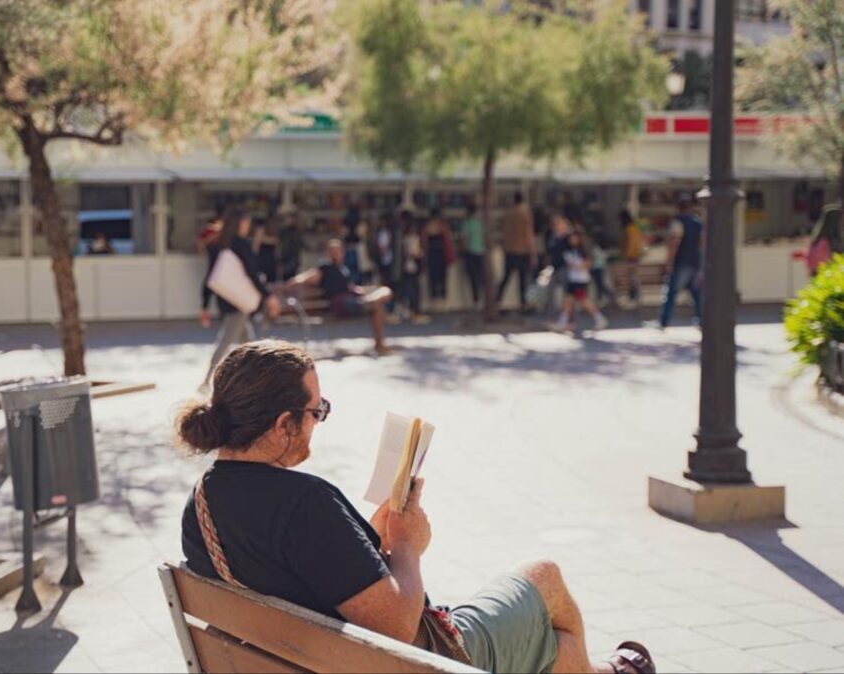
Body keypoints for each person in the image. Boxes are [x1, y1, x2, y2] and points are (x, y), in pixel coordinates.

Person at [177, 340, 657, 674]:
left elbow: (297, 569)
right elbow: (397, 628)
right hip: (419, 662)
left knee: (552, 647)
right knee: (545, 579)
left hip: (295, 658)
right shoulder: (304, 504)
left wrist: (369, 539)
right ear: (284, 424)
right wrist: (407, 545)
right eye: (316, 412)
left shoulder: (201, 505)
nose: (318, 422)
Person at [200, 208, 281, 388]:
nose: (248, 227)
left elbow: (209, 277)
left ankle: (257, 379)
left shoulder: (217, 244)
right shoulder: (240, 245)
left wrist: (204, 305)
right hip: (240, 300)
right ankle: (207, 381)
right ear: (240, 224)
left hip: (226, 299)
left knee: (247, 342)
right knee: (226, 342)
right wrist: (267, 296)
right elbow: (252, 273)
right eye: (246, 223)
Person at [290, 240, 393, 354]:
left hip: (352, 301)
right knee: (377, 307)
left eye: (337, 251)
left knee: (384, 293)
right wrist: (283, 287)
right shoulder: (324, 268)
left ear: (342, 253)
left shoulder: (344, 270)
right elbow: (302, 279)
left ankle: (370, 304)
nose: (335, 254)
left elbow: (351, 288)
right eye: (332, 251)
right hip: (339, 304)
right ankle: (379, 344)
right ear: (327, 253)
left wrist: (366, 290)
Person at [657, 195, 703, 329]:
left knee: (671, 292)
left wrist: (668, 262)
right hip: (695, 261)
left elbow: (674, 243)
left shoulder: (677, 222)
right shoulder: (698, 222)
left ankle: (663, 322)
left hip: (681, 261)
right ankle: (701, 320)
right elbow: (702, 243)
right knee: (696, 293)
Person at [553, 228, 608, 332]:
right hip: (573, 280)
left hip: (581, 280)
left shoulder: (583, 251)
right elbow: (570, 264)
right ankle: (562, 322)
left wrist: (577, 265)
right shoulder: (569, 251)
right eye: (570, 238)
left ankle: (600, 318)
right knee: (568, 301)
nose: (572, 240)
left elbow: (587, 265)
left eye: (574, 237)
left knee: (584, 301)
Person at [497, 192, 538, 313]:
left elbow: (503, 232)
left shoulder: (507, 215)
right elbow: (528, 235)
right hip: (522, 250)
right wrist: (533, 253)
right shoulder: (525, 216)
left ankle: (497, 301)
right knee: (523, 279)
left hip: (509, 250)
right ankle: (524, 304)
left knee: (506, 277)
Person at [400, 211, 428, 324]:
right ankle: (414, 312)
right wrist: (419, 254)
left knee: (411, 288)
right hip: (411, 266)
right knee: (413, 289)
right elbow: (413, 252)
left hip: (410, 266)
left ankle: (410, 310)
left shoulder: (403, 236)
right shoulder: (412, 238)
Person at [424, 208, 453, 310]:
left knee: (440, 278)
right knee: (435, 278)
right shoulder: (434, 226)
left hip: (439, 254)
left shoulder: (440, 226)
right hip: (435, 254)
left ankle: (441, 301)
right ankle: (437, 302)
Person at [459, 203, 486, 309]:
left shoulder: (466, 223)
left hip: (470, 252)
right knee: (481, 276)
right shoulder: (480, 223)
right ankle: (483, 299)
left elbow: (464, 240)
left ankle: (476, 301)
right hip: (481, 251)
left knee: (473, 278)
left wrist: (462, 251)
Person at [617, 209, 642, 303]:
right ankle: (633, 295)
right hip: (634, 255)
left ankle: (634, 295)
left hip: (631, 256)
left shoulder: (629, 228)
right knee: (632, 276)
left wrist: (626, 254)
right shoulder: (634, 227)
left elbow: (631, 242)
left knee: (632, 276)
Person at [589, 231, 617, 308]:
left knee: (600, 284)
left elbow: (593, 258)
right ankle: (601, 299)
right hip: (599, 268)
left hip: (597, 268)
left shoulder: (595, 249)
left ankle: (608, 296)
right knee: (599, 284)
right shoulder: (598, 249)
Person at [253, 216, 280, 283]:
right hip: (266, 262)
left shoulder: (263, 231)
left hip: (266, 262)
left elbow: (255, 247)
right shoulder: (263, 231)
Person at [279, 211, 304, 281]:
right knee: (285, 277)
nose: (288, 221)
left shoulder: (296, 231)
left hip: (293, 258)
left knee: (292, 278)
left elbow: (300, 243)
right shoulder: (283, 231)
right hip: (284, 257)